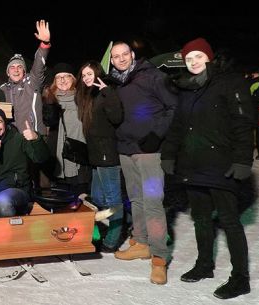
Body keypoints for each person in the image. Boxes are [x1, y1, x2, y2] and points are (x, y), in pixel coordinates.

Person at [162, 38, 254, 299]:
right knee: (201, 218)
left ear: (209, 58)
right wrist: (169, 154)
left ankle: (240, 278)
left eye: (198, 57)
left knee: (229, 221)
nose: (193, 63)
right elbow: (178, 127)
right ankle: (205, 265)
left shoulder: (229, 83)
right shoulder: (186, 89)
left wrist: (242, 161)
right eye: (189, 59)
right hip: (193, 164)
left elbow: (243, 123)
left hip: (222, 164)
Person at [109, 41, 177, 285]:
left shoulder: (153, 76)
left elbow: (173, 106)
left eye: (125, 54)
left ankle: (159, 258)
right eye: (116, 56)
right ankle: (140, 242)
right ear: (112, 60)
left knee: (152, 203)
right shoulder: (116, 82)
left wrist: (157, 134)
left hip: (149, 151)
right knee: (135, 198)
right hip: (125, 150)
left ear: (133, 55)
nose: (121, 59)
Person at [75, 61, 124, 252]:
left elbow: (117, 118)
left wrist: (109, 93)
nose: (87, 78)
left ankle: (112, 240)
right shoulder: (89, 97)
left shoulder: (106, 93)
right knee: (96, 199)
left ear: (98, 75)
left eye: (90, 74)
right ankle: (97, 236)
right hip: (96, 156)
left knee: (113, 201)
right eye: (84, 75)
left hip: (107, 155)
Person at [0, 106, 50, 218]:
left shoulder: (18, 139)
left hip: (18, 189)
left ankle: (12, 234)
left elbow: (41, 158)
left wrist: (36, 139)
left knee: (3, 200)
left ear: (5, 123)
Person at [42, 62, 90, 194]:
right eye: (58, 77)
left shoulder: (83, 98)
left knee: (81, 198)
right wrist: (50, 103)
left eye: (66, 76)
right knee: (61, 200)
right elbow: (48, 122)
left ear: (73, 79)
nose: (62, 80)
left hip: (80, 157)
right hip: (57, 157)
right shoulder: (49, 99)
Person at [0, 19, 50, 135]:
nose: (16, 70)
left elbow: (38, 66)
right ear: (7, 72)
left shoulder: (32, 82)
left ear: (24, 71)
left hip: (35, 135)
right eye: (12, 67)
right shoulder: (2, 89)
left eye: (19, 67)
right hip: (12, 139)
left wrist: (44, 45)